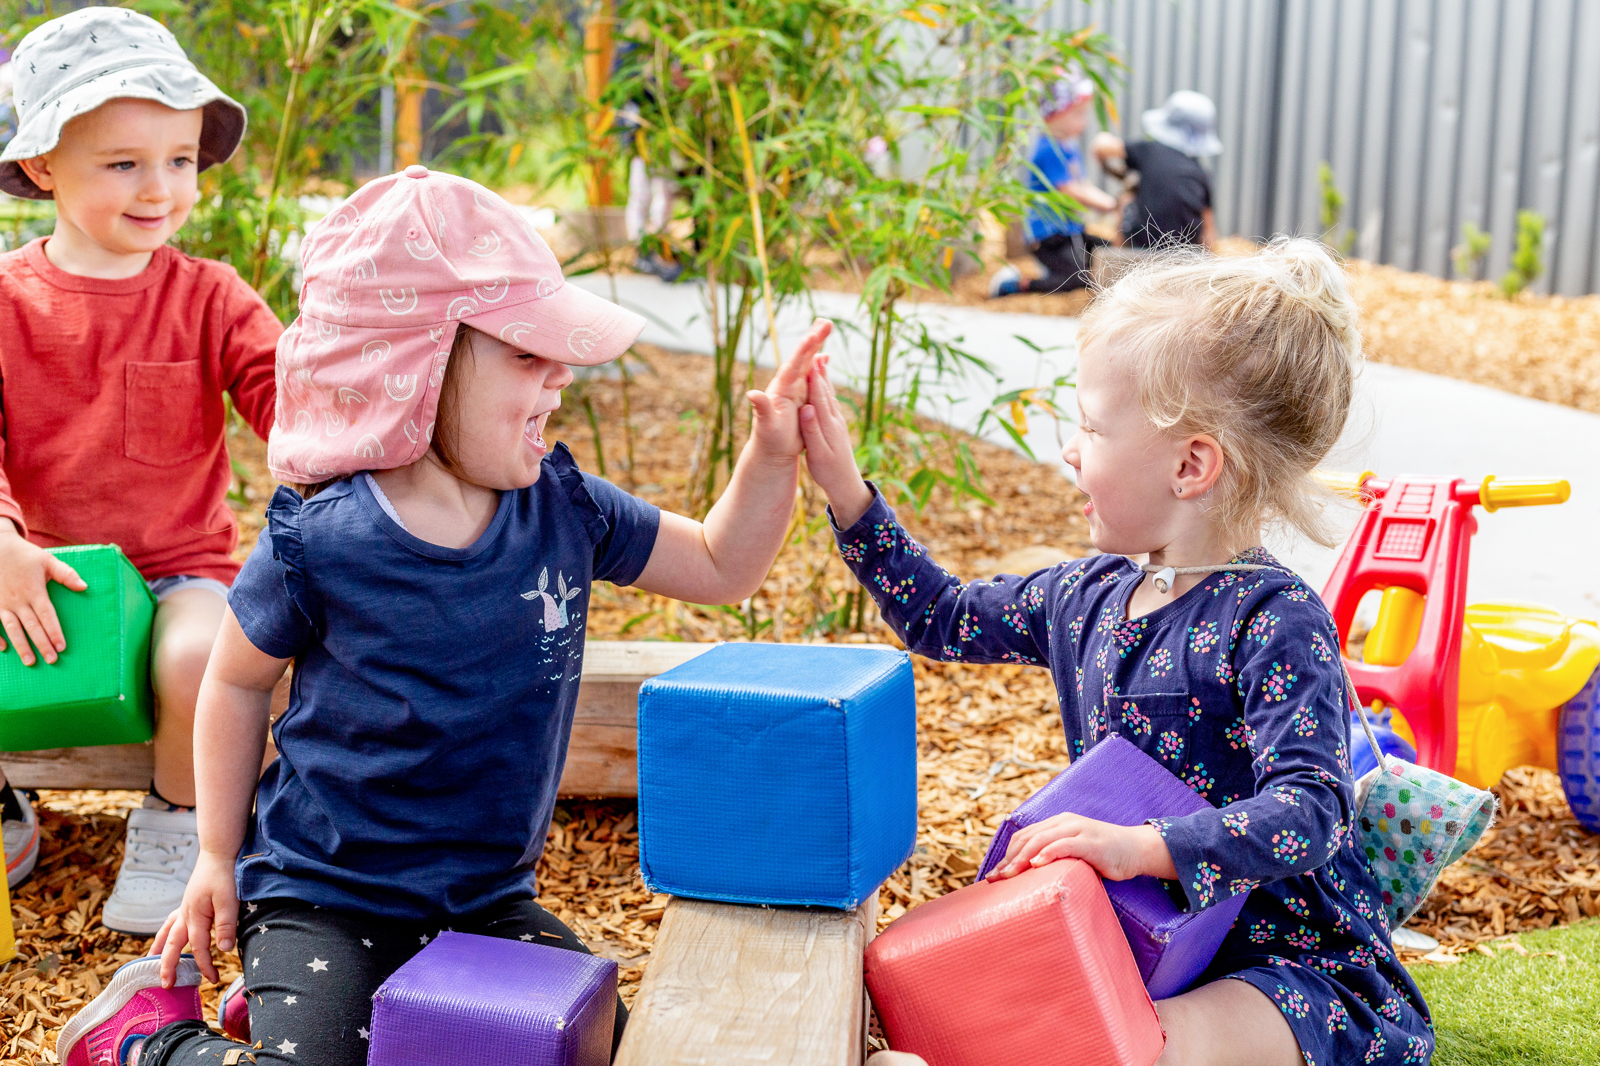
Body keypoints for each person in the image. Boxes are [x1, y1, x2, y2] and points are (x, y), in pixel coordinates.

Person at [56, 165, 833, 1066]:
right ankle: (143, 1043)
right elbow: (233, 682)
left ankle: (293, 1013)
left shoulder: (562, 508)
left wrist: (773, 456)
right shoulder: (324, 538)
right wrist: (215, 856)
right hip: (322, 894)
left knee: (607, 1052)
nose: (562, 380)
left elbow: (719, 563)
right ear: (416, 363)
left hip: (486, 898)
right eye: (527, 355)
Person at [801, 240, 1434, 1066]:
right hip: (1143, 949)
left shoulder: (1275, 622)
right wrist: (846, 492)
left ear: (1190, 464)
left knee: (1135, 1045)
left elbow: (1313, 812)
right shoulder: (1084, 597)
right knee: (1030, 1017)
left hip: (1289, 969)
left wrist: (1142, 847)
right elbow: (941, 616)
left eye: (1093, 426)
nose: (1071, 447)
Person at [0, 7, 280, 930]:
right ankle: (9, 806)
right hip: (38, 565)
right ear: (43, 167)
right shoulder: (7, 302)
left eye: (180, 159)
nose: (160, 187)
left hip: (176, 572)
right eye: (123, 163)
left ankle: (177, 820)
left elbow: (292, 402)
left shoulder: (209, 297)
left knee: (202, 651)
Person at [989, 74, 1118, 298]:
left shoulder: (1069, 146)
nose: (1084, 121)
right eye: (1077, 114)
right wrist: (1108, 204)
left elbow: (1083, 184)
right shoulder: (1048, 149)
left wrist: (1109, 203)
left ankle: (1052, 270)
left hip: (1071, 230)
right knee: (1077, 278)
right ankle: (1015, 285)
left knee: (1111, 254)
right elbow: (1069, 189)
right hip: (1049, 235)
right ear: (1054, 115)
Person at [1091, 90, 1220, 251]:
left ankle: (1119, 257)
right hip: (1184, 255)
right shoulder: (1200, 173)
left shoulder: (1149, 151)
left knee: (1126, 201)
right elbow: (1208, 228)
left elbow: (1101, 145)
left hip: (1140, 249)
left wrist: (1120, 175)